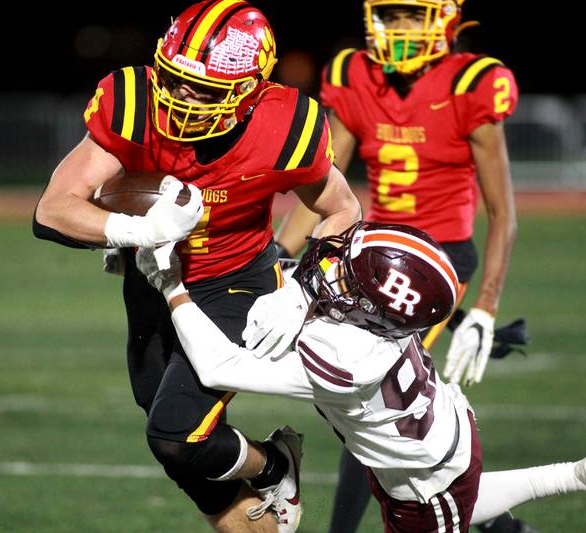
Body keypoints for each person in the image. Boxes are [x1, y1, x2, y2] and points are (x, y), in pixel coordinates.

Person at [33, 1, 361, 530]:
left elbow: (343, 208)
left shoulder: (283, 125)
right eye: (175, 79)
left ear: (250, 90)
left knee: (176, 434)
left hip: (236, 284)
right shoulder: (134, 101)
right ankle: (266, 495)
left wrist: (299, 287)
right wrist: (134, 231)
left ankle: (275, 463)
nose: (181, 96)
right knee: (180, 452)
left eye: (204, 89)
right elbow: (53, 208)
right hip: (154, 283)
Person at [137, 220, 586, 532]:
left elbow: (218, 365)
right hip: (442, 438)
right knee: (463, 503)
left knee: (453, 510)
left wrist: (171, 284)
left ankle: (580, 474)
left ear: (375, 311)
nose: (333, 270)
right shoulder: (379, 320)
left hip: (423, 480)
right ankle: (583, 472)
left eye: (349, 276)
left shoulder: (347, 357)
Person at [268, 1, 528, 530]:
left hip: (437, 263)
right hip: (367, 255)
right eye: (392, 15)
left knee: (370, 405)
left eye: (414, 15)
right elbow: (324, 187)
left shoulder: (473, 82)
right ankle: (502, 526)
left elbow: (503, 214)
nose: (401, 28)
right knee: (351, 405)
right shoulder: (353, 74)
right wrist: (277, 259)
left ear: (447, 20)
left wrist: (483, 308)